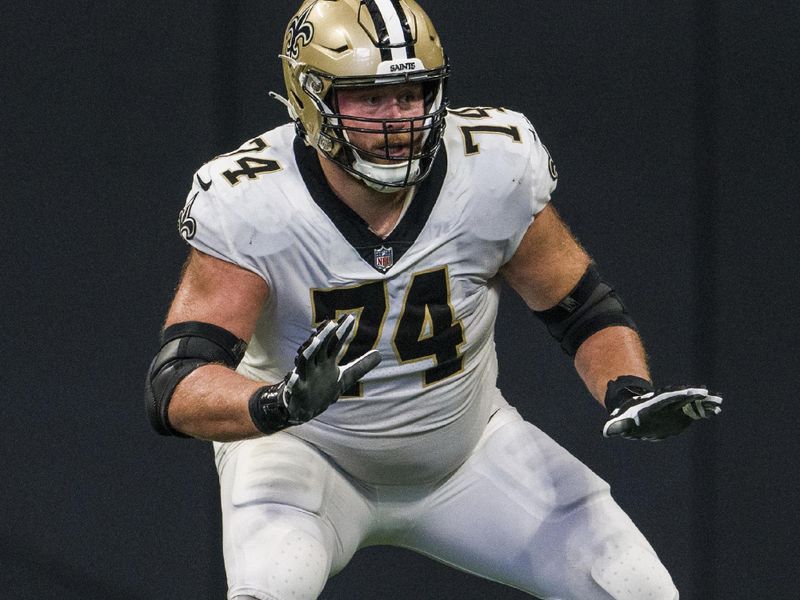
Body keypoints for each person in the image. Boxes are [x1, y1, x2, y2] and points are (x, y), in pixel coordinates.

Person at [145, 1, 722, 598]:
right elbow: (177, 381)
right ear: (309, 98)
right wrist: (279, 405)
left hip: (468, 454)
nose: (398, 119)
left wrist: (629, 388)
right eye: (370, 98)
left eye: (413, 93)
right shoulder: (255, 201)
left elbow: (580, 305)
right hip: (303, 454)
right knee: (272, 587)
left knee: (636, 587)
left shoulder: (491, 166)